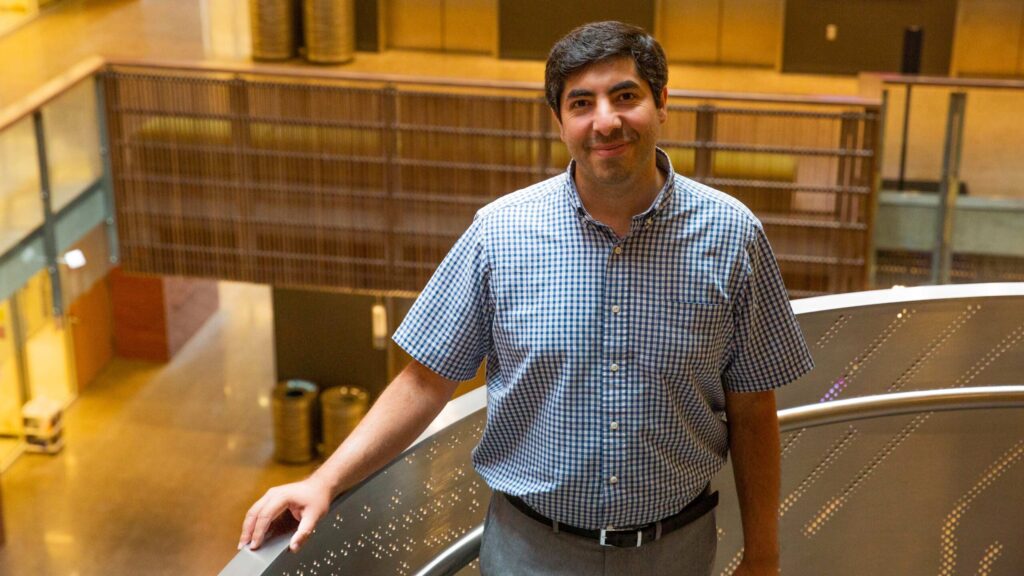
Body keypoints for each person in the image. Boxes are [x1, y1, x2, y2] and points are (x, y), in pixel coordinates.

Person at [238, 20, 814, 576]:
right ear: (560, 121)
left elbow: (752, 409)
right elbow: (424, 381)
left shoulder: (733, 236)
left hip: (676, 553)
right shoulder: (500, 233)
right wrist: (324, 480)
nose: (606, 121)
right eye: (581, 103)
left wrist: (764, 555)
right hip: (530, 552)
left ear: (662, 102)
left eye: (624, 96)